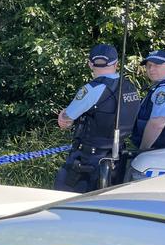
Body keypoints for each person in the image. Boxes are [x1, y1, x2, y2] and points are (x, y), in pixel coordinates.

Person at [54, 44, 140, 193]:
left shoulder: (92, 89)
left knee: (66, 200)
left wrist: (63, 114)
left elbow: (66, 121)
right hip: (118, 158)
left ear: (90, 64)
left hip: (88, 160)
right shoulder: (131, 88)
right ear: (116, 64)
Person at [131, 50, 165, 150]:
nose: (151, 69)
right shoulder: (161, 86)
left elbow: (157, 123)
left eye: (157, 65)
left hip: (161, 151)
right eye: (148, 65)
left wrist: (142, 150)